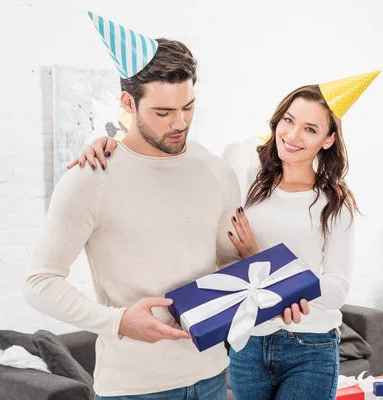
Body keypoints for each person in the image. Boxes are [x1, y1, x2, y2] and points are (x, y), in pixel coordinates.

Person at [72, 71, 379, 399]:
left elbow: (336, 289)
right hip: (247, 342)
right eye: (288, 120)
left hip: (310, 344)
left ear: (328, 139)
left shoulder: (334, 203)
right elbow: (177, 161)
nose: (293, 134)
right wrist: (112, 145)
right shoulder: (244, 182)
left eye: (311, 129)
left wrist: (263, 267)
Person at [25, 13, 241, 400]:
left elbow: (227, 265)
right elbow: (40, 282)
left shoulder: (217, 172)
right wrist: (118, 320)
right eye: (162, 113)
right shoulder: (90, 178)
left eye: (188, 107)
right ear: (128, 102)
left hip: (212, 374)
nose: (180, 123)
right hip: (135, 388)